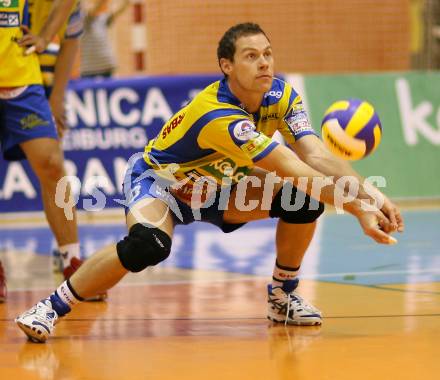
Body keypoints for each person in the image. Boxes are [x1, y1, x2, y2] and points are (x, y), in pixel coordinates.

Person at [15, 23, 404, 342]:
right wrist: (359, 210)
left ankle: (282, 297)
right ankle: (50, 307)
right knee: (146, 246)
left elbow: (315, 156)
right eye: (251, 57)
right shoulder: (217, 114)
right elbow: (291, 166)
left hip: (218, 186)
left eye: (267, 54)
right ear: (227, 66)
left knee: (302, 201)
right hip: (161, 184)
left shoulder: (283, 95)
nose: (264, 63)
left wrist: (372, 194)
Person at [0, 0, 103, 302]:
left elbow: (70, 16)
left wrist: (45, 37)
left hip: (22, 77)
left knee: (51, 163)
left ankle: (71, 260)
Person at [80, 0, 129, 78]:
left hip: (107, 67)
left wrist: (127, 2)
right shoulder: (85, 19)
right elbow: (95, 9)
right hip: (89, 70)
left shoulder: (103, 18)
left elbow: (118, 11)